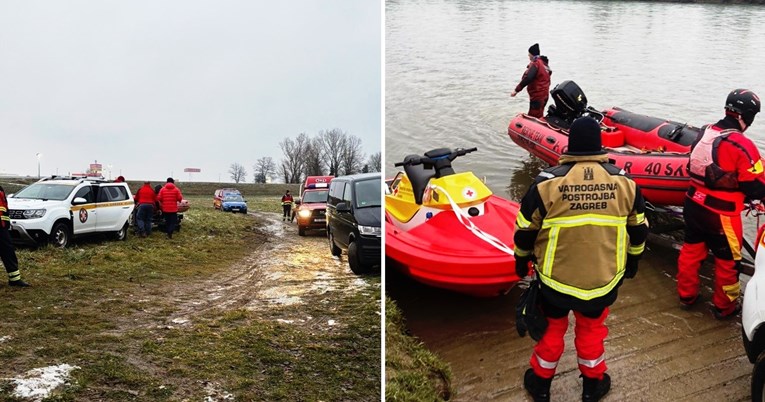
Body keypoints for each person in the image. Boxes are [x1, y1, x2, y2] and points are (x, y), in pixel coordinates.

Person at [513, 116, 648, 401]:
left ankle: (540, 383)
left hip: (555, 281)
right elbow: (638, 230)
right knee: (591, 330)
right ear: (600, 145)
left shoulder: (546, 183)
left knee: (551, 329)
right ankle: (592, 385)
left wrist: (521, 260)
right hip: (603, 279)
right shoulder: (626, 183)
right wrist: (633, 261)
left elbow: (525, 231)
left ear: (570, 145)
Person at [677, 89, 764, 319]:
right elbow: (755, 186)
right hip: (721, 214)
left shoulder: (704, 132)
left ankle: (686, 295)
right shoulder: (740, 144)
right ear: (748, 115)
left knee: (691, 251)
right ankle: (724, 307)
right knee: (728, 263)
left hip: (693, 204)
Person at [511, 43, 552, 118]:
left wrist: (516, 90)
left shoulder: (536, 64)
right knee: (538, 115)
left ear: (532, 54)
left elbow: (528, 78)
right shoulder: (544, 64)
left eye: (529, 54)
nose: (528, 56)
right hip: (545, 95)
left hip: (538, 96)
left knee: (533, 117)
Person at [0, 185, 30, 287]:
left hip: (2, 227)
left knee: (8, 251)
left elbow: (4, 208)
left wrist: (7, 223)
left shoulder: (0, 189)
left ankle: (15, 279)